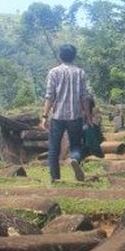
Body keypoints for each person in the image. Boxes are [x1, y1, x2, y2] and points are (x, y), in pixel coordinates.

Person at [42, 44, 90, 183]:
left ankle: (55, 178)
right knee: (76, 145)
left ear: (60, 56)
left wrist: (45, 116)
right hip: (75, 116)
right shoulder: (80, 72)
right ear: (73, 56)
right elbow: (84, 96)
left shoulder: (54, 72)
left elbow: (50, 96)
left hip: (57, 116)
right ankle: (75, 159)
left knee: (54, 148)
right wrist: (87, 115)